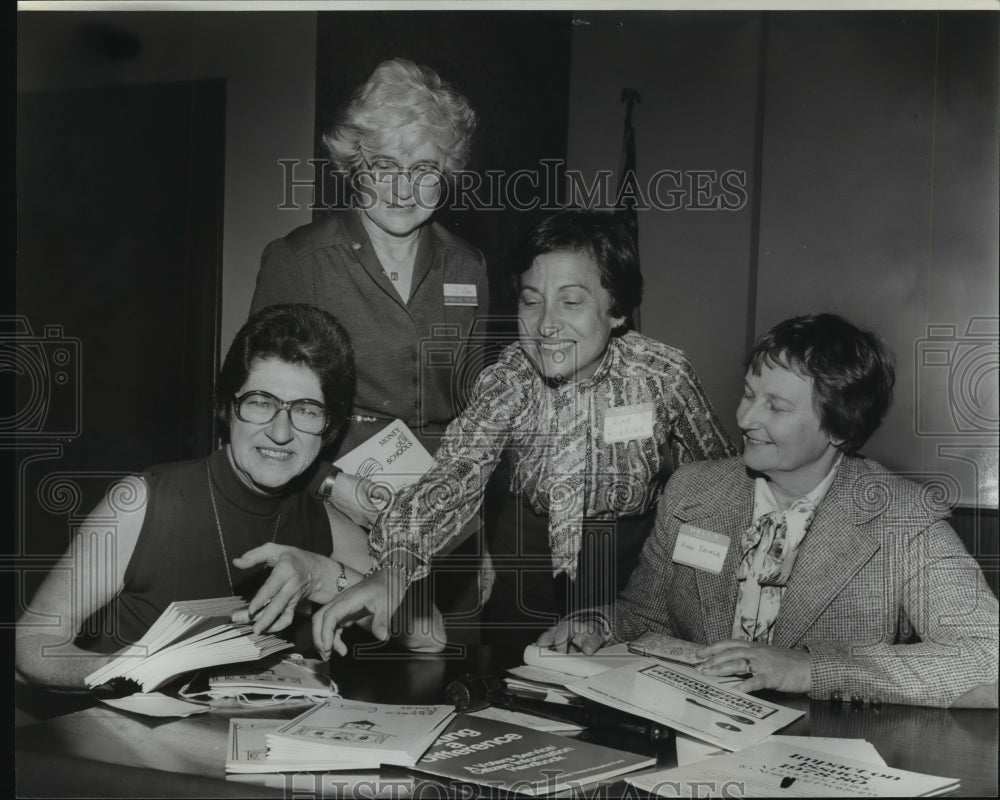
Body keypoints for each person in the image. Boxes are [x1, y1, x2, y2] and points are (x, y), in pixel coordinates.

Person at [313, 209, 737, 657]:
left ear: (615, 308)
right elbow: (456, 474)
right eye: (531, 301)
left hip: (632, 572)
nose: (546, 324)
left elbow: (721, 484)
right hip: (527, 565)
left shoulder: (662, 375)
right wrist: (395, 568)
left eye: (571, 302)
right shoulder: (508, 379)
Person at [538, 313, 999, 708]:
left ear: (840, 426)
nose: (745, 418)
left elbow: (987, 655)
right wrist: (598, 624)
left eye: (776, 406)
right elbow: (647, 619)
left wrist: (810, 669)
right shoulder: (692, 491)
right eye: (749, 393)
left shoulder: (903, 518)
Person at [15, 304, 443, 691]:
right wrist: (124, 671)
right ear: (228, 408)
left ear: (328, 429)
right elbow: (34, 640)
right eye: (260, 402)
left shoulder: (322, 521)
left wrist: (322, 574)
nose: (280, 432)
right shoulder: (144, 502)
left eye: (307, 411)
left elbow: (430, 636)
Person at [249, 57, 487, 465]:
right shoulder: (300, 261)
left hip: (443, 490)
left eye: (424, 169)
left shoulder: (468, 265)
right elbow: (259, 409)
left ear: (446, 173)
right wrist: (328, 484)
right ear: (356, 167)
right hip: (332, 480)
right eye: (385, 165)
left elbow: (473, 405)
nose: (402, 188)